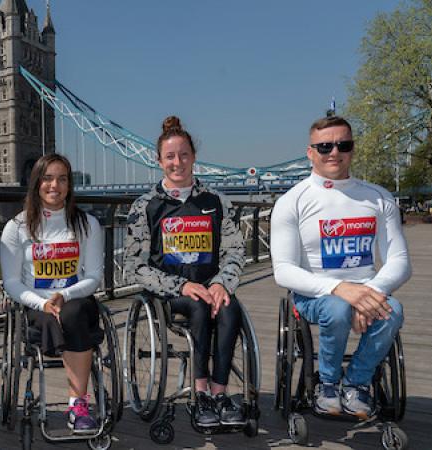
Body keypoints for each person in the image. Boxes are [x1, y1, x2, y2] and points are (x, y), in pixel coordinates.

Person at [271, 116, 410, 419]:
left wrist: (368, 293)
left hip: (366, 290)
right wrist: (340, 289)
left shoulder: (378, 197)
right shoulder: (292, 201)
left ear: (352, 149)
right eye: (324, 146)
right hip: (314, 296)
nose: (334, 152)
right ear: (310, 153)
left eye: (342, 145)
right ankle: (327, 383)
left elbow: (399, 261)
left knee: (393, 311)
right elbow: (283, 270)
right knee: (336, 308)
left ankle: (356, 383)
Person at [124, 116, 246, 428]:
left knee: (230, 308)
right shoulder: (145, 206)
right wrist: (181, 286)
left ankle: (220, 393)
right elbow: (135, 266)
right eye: (170, 156)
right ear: (159, 160)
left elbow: (234, 249)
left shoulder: (216, 201)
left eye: (184, 155)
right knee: (200, 306)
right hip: (170, 295)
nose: (177, 162)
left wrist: (221, 283)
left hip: (211, 286)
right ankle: (201, 393)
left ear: (193, 156)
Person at [0, 154, 104, 433]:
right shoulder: (16, 228)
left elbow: (94, 276)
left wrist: (64, 296)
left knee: (75, 311)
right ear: (36, 183)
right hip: (36, 304)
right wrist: (43, 302)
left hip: (76, 300)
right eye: (47, 178)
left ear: (69, 185)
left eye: (62, 178)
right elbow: (11, 282)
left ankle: (78, 404)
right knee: (58, 315)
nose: (54, 185)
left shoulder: (88, 225)